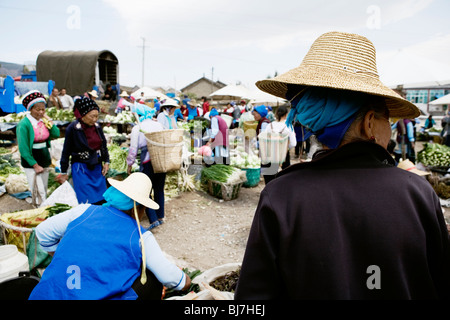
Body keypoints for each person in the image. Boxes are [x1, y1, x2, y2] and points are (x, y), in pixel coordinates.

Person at [235, 31, 450, 299]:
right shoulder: (417, 193)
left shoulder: (281, 195)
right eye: (388, 120)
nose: (391, 129)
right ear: (370, 122)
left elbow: (253, 298)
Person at [28, 172, 191, 300]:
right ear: (140, 209)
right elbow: (169, 276)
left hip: (45, 295)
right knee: (151, 278)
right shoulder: (141, 236)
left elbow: (42, 231)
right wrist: (186, 281)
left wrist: (59, 255)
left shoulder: (83, 211)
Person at [57, 97, 110, 204]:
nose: (95, 119)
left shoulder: (97, 127)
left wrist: (106, 162)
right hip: (81, 169)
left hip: (97, 168)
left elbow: (103, 145)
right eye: (92, 116)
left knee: (102, 198)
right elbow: (66, 151)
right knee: (86, 200)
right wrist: (63, 171)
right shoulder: (73, 128)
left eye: (97, 116)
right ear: (83, 114)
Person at [17, 90, 60, 205]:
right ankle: (38, 210)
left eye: (43, 109)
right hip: (32, 161)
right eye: (38, 109)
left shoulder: (44, 122)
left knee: (44, 189)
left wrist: (48, 119)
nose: (41, 112)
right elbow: (23, 148)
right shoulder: (24, 124)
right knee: (37, 189)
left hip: (44, 159)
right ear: (30, 109)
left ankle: (42, 209)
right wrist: (34, 165)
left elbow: (56, 134)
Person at [127, 104, 166, 230]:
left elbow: (133, 149)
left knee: (145, 191)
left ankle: (153, 219)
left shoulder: (138, 128)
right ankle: (161, 216)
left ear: (139, 114)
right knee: (159, 189)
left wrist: (129, 164)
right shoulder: (159, 125)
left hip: (147, 162)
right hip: (161, 160)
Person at [261, 105, 297, 183]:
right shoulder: (288, 126)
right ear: (286, 114)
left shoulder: (269, 125)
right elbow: (293, 143)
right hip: (283, 156)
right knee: (283, 182)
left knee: (269, 182)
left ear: (276, 113)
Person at [252, 105, 273, 183]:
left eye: (255, 114)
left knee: (269, 176)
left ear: (260, 114)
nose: (254, 116)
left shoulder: (264, 123)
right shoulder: (262, 122)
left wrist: (256, 144)